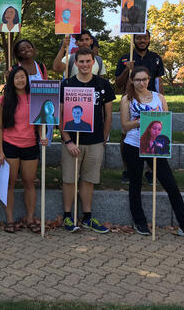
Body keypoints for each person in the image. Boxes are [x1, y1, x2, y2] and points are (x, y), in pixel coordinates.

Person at [120, 67, 184, 241]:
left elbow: (166, 121)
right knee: (135, 184)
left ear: (149, 79)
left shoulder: (160, 98)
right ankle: (139, 221)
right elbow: (124, 126)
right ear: (132, 81)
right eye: (137, 80)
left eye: (144, 79)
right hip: (133, 144)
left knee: (170, 184)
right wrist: (141, 120)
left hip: (154, 146)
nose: (141, 83)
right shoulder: (127, 99)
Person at [59, 48, 115, 233]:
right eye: (81, 61)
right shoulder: (66, 84)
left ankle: (87, 217)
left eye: (87, 61)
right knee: (69, 179)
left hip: (95, 141)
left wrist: (103, 139)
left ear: (94, 62)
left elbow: (108, 115)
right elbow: (60, 116)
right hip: (72, 141)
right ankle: (68, 216)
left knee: (88, 180)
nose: (84, 65)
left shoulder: (103, 84)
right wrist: (67, 141)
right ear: (75, 63)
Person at [0, 66, 48, 233]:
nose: (20, 80)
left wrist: (42, 135)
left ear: (27, 79)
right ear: (11, 80)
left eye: (22, 77)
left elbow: (40, 121)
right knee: (10, 184)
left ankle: (30, 218)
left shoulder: (35, 97)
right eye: (16, 77)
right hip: (10, 145)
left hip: (30, 145)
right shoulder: (3, 100)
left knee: (29, 183)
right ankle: (10, 220)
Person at [115, 30, 165, 184]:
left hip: (151, 102)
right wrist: (126, 69)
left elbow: (159, 82)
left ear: (149, 39)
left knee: (153, 136)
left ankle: (151, 171)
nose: (142, 40)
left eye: (145, 37)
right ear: (134, 39)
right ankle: (127, 170)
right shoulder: (125, 57)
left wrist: (161, 103)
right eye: (139, 38)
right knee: (126, 135)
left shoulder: (156, 58)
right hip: (131, 101)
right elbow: (118, 84)